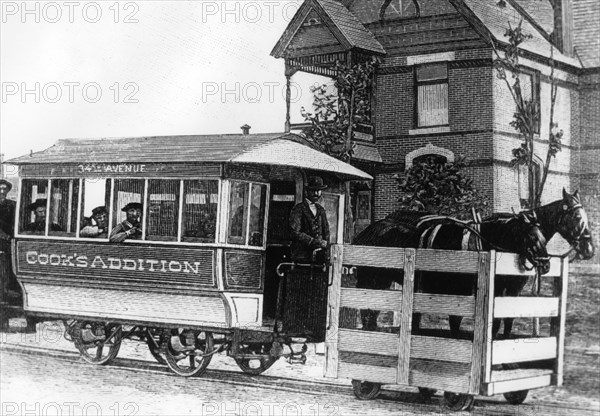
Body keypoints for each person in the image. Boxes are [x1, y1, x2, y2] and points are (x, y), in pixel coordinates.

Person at [289, 176, 330, 263]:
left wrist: (326, 250)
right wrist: (313, 241)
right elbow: (295, 233)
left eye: (319, 190)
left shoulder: (321, 210)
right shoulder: (298, 209)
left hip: (319, 257)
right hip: (301, 256)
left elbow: (326, 233)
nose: (316, 193)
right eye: (313, 190)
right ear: (307, 191)